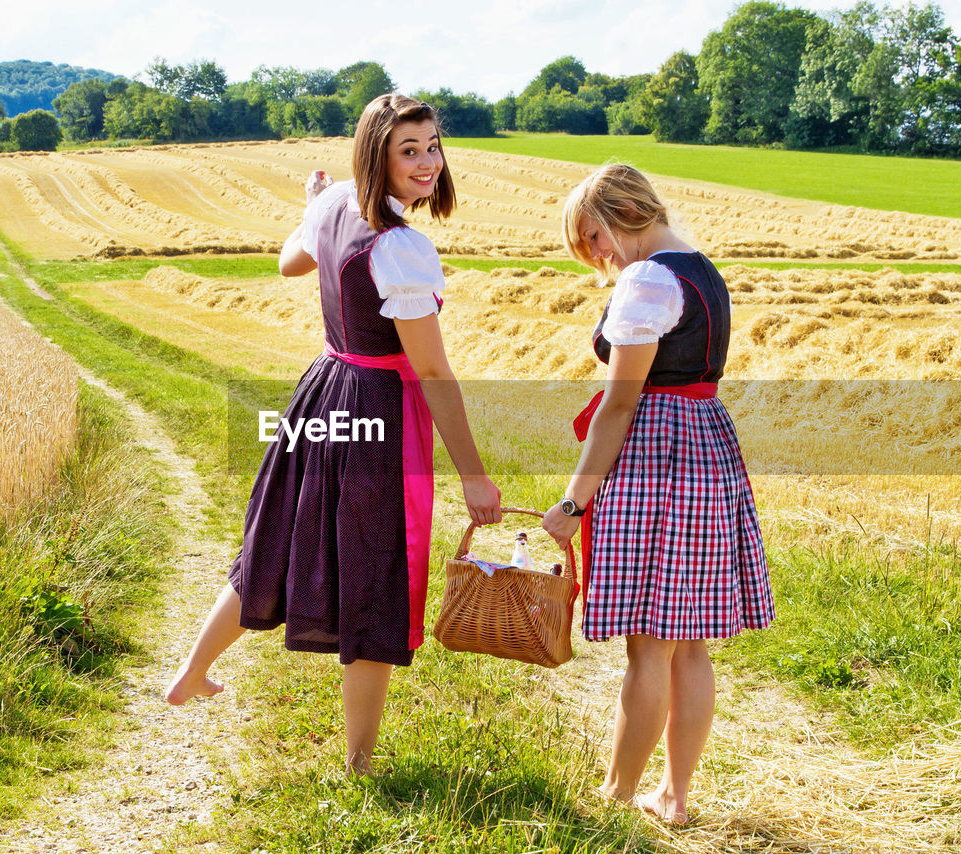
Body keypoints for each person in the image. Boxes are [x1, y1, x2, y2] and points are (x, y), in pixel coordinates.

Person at [164, 93, 501, 776]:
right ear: (375, 155)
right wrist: (473, 473)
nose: (428, 162)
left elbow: (290, 262)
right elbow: (431, 369)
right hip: (376, 404)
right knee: (375, 572)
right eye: (409, 150)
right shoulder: (401, 248)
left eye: (432, 145)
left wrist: (312, 205)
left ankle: (192, 672)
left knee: (279, 538)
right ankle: (359, 760)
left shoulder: (338, 203)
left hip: (324, 388)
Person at [541, 163, 774, 824]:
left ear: (621, 213)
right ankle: (674, 798)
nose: (595, 256)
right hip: (709, 447)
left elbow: (619, 406)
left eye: (592, 237)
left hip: (658, 454)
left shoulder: (647, 279)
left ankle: (617, 796)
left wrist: (574, 502)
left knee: (649, 643)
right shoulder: (701, 268)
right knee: (690, 642)